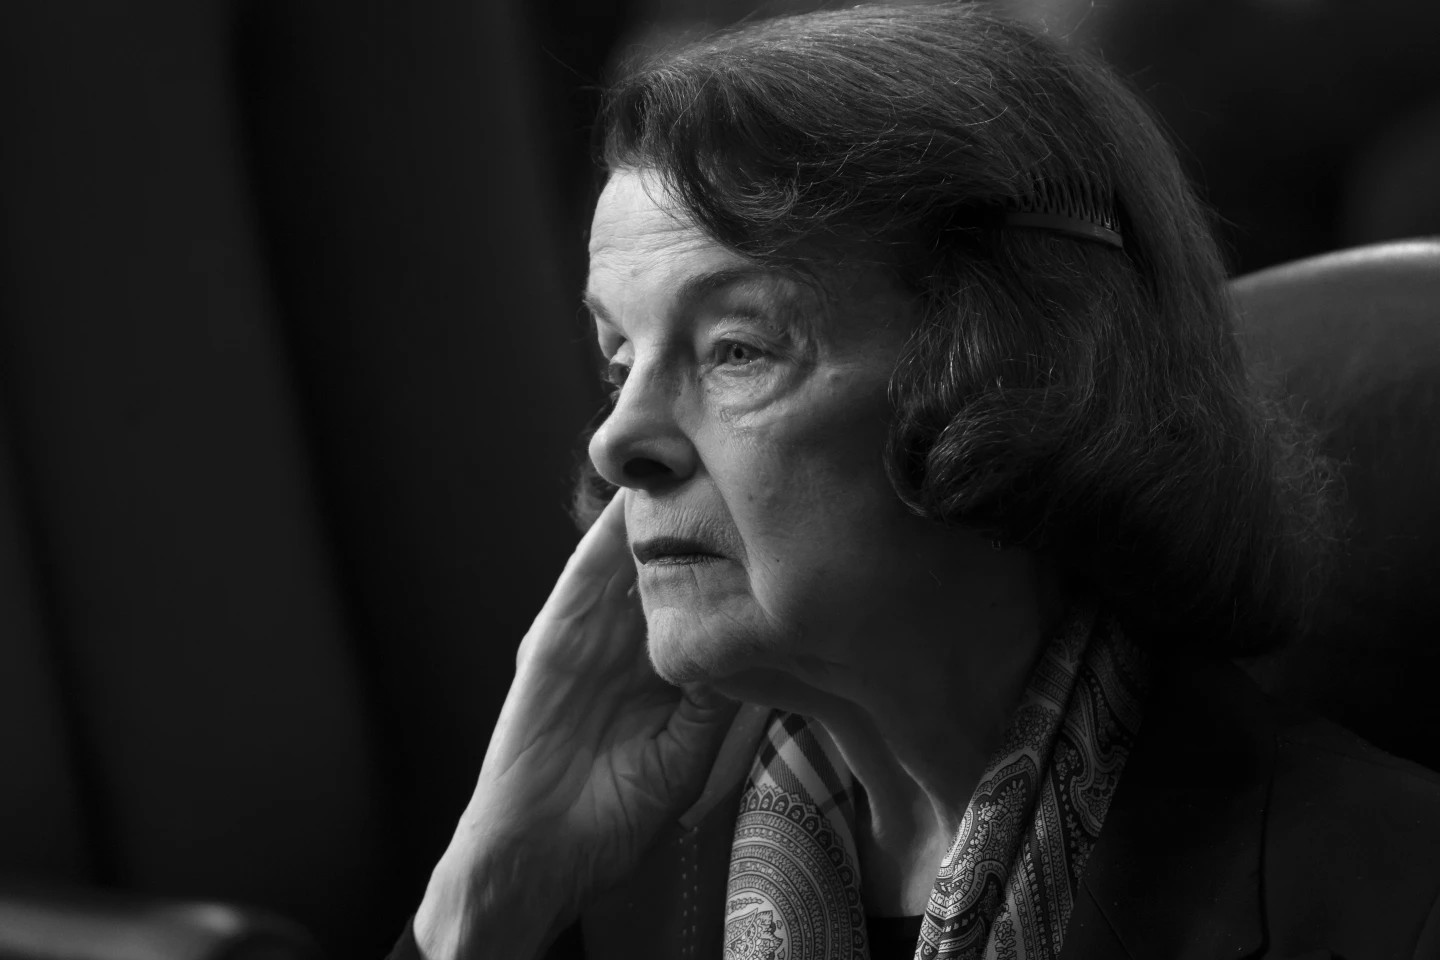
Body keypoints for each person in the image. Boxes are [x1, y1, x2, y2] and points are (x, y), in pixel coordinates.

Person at [392, 5, 1440, 959]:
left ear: (1019, 378)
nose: (617, 442)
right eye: (620, 363)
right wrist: (485, 896)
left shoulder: (1389, 900)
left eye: (736, 350)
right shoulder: (614, 895)